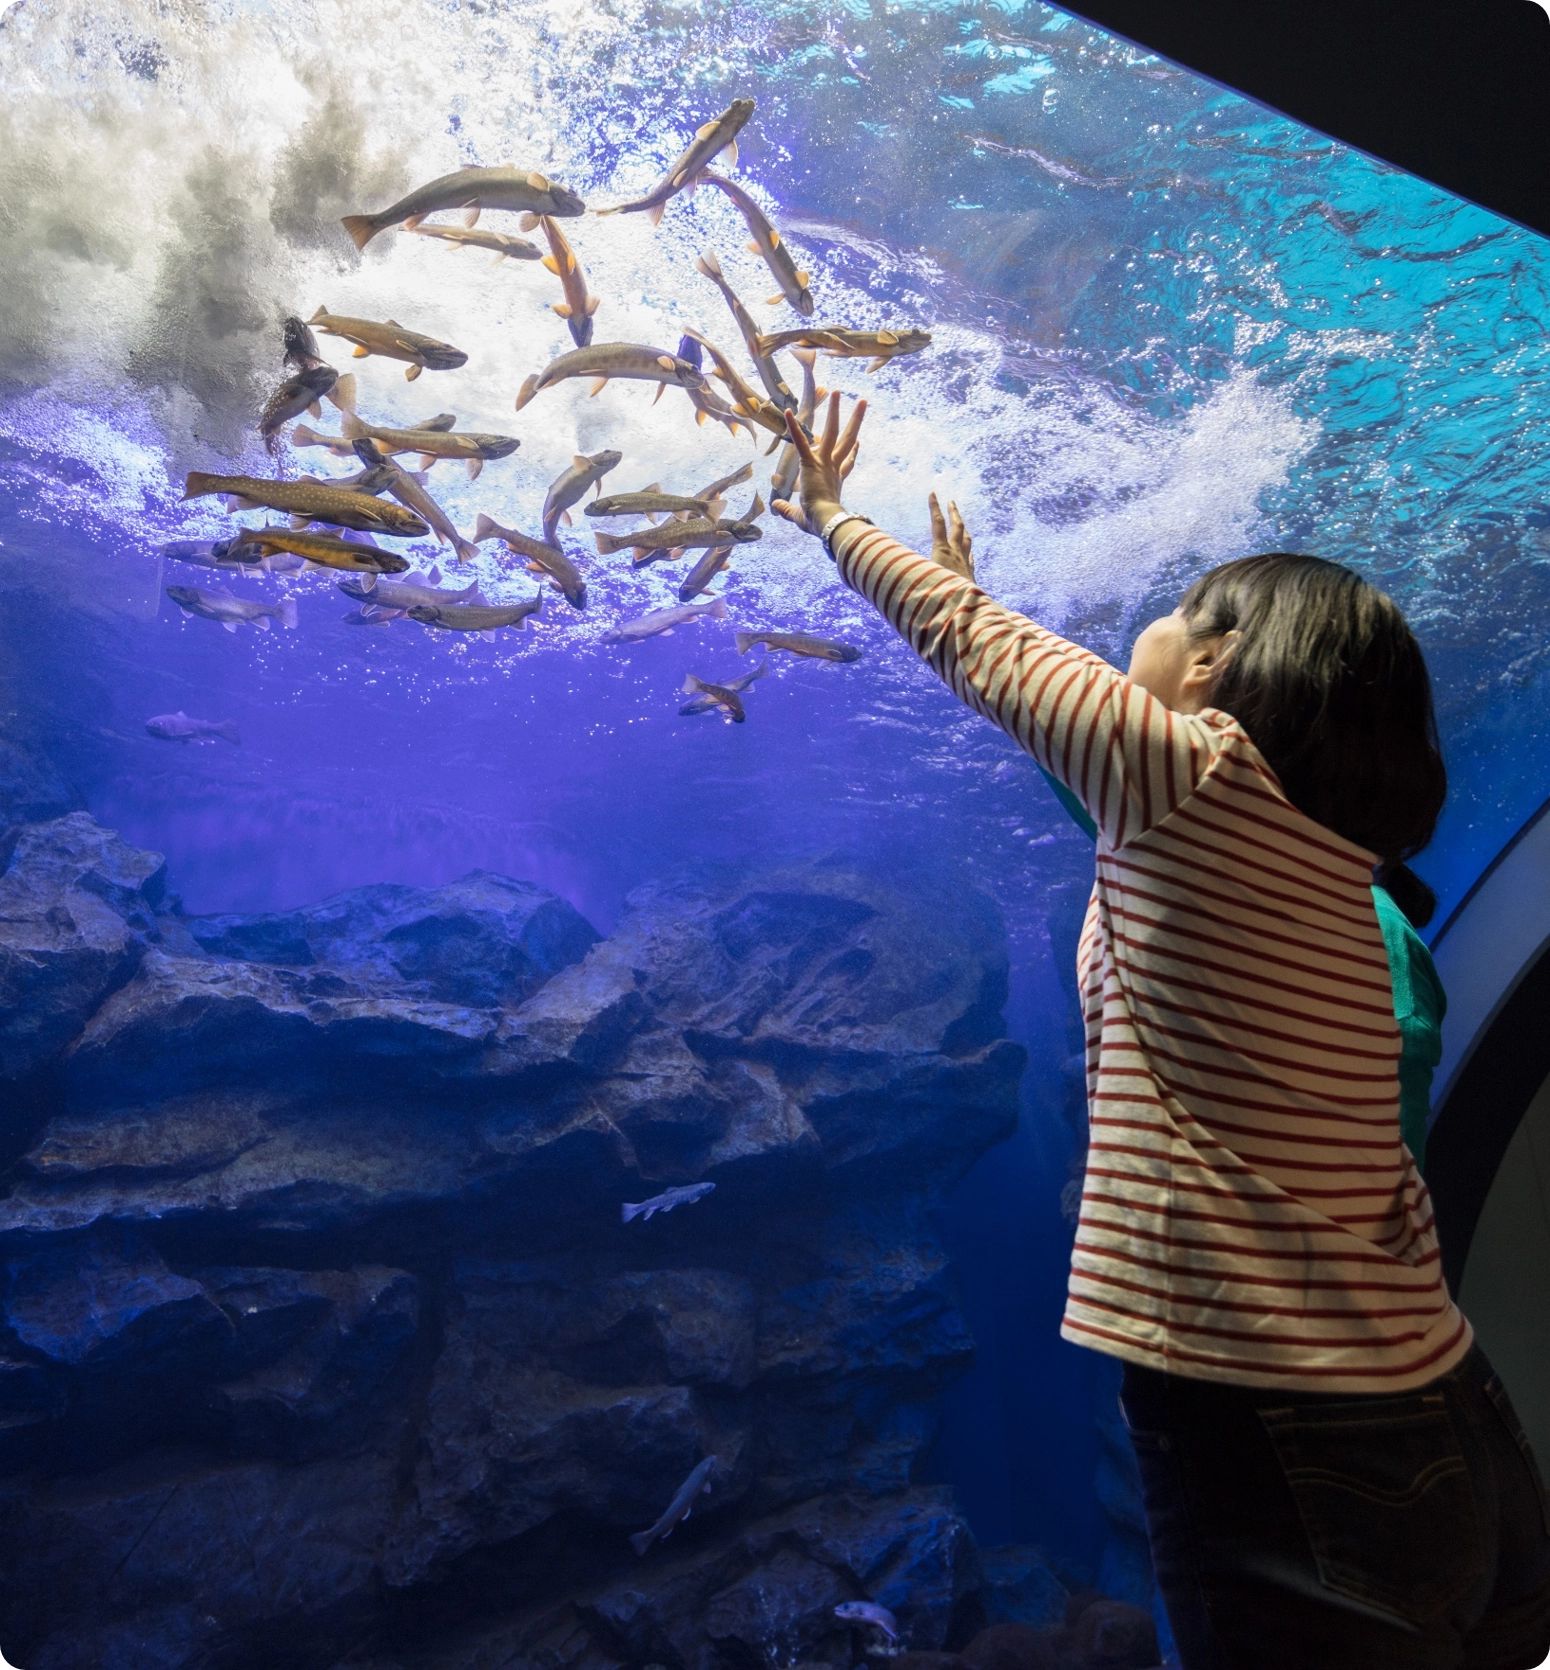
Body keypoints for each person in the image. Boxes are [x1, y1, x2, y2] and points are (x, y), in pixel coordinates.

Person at [772, 396, 1550, 1670]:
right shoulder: (1336, 878)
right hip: (1449, 1412)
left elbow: (976, 644)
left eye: (1175, 606)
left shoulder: (1190, 777)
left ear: (1213, 667)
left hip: (1284, 1433)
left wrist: (830, 514)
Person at [922, 495, 1447, 1172]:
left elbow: (1388, 1157)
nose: (1151, 624)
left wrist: (940, 595)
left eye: (1174, 611)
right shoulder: (1170, 834)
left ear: (1208, 666)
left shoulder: (1375, 940)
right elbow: (1066, 732)